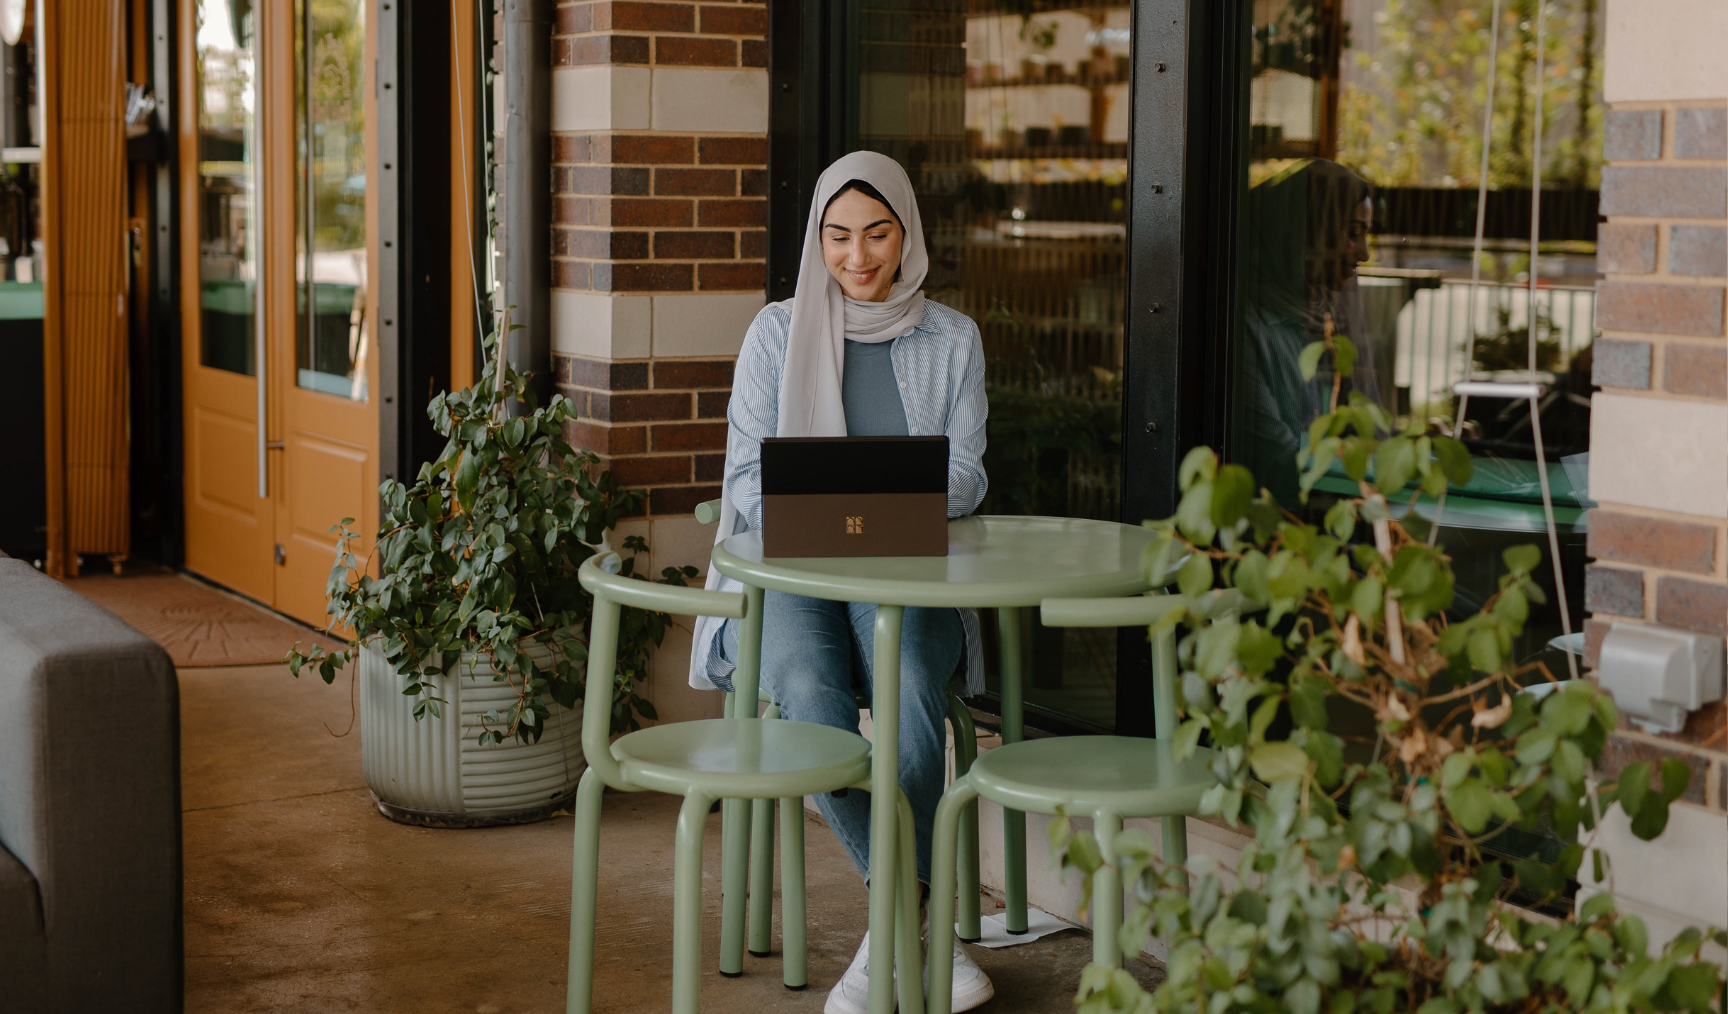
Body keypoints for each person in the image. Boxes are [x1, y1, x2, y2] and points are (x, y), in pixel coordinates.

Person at [687, 150, 995, 1014]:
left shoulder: (953, 339)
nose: (858, 258)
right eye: (837, 236)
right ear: (817, 239)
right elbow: (745, 481)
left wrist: (871, 498)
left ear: (907, 235)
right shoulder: (776, 333)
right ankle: (916, 925)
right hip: (790, 572)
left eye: (877, 235)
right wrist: (854, 499)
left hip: (908, 571)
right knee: (805, 695)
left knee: (908, 705)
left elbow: (967, 475)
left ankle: (891, 937)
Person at [1234, 158, 1383, 505]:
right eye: (1353, 233)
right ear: (1309, 231)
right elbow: (1283, 463)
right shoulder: (1243, 330)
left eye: (1366, 234)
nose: (1363, 253)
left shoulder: (1321, 319)